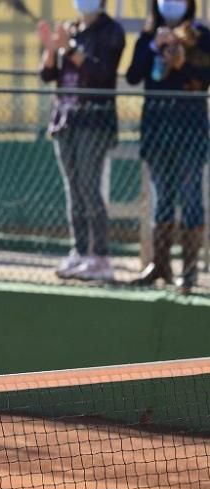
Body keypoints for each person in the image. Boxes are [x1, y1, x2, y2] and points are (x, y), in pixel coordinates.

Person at [126, 0, 210, 294]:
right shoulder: (149, 36)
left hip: (189, 129)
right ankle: (159, 266)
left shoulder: (201, 36)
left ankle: (189, 271)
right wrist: (152, 48)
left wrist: (182, 63)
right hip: (157, 127)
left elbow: (205, 79)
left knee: (190, 198)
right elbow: (133, 76)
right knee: (161, 198)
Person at [38, 0, 126, 282]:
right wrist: (52, 49)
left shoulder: (112, 32)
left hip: (94, 121)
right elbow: (48, 75)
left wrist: (68, 48)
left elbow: (100, 74)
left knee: (90, 188)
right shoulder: (71, 29)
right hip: (65, 119)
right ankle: (79, 252)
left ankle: (100, 257)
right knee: (73, 190)